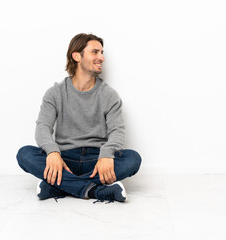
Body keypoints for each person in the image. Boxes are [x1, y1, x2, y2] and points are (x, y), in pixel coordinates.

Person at [16, 33, 141, 203]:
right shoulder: (55, 93)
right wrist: (52, 152)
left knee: (133, 159)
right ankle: (95, 190)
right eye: (95, 52)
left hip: (97, 160)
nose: (102, 58)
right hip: (64, 159)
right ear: (77, 56)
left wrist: (106, 154)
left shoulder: (109, 94)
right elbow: (43, 127)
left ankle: (57, 186)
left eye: (102, 53)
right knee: (24, 154)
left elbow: (117, 131)